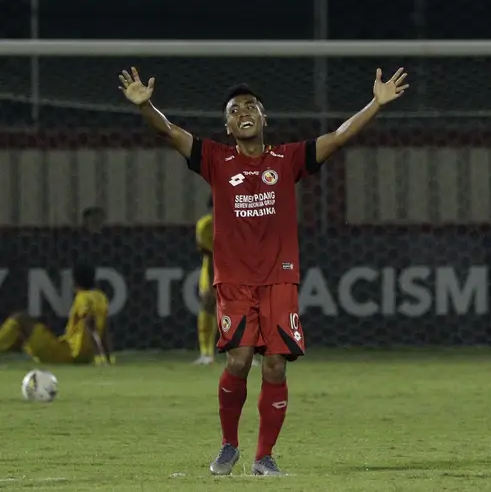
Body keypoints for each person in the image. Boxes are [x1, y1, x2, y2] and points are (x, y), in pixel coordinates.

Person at [118, 66, 407, 477]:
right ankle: (228, 446)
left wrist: (375, 104)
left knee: (275, 365)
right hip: (234, 280)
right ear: (227, 124)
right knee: (237, 361)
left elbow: (340, 136)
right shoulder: (215, 159)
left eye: (251, 106)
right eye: (235, 110)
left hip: (279, 278)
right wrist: (146, 106)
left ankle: (264, 455)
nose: (244, 112)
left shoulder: (287, 159)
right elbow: (169, 132)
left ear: (264, 118)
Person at [0, 264, 113, 366]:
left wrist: (98, 355)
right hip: (84, 356)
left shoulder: (82, 298)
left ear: (75, 281)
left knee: (20, 319)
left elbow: (89, 322)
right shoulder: (101, 298)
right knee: (21, 336)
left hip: (67, 353)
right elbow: (104, 330)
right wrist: (107, 356)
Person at [193, 198, 217, 366]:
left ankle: (246, 353)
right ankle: (206, 353)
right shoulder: (205, 226)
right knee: (208, 305)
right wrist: (210, 283)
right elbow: (209, 255)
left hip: (238, 269)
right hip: (213, 269)